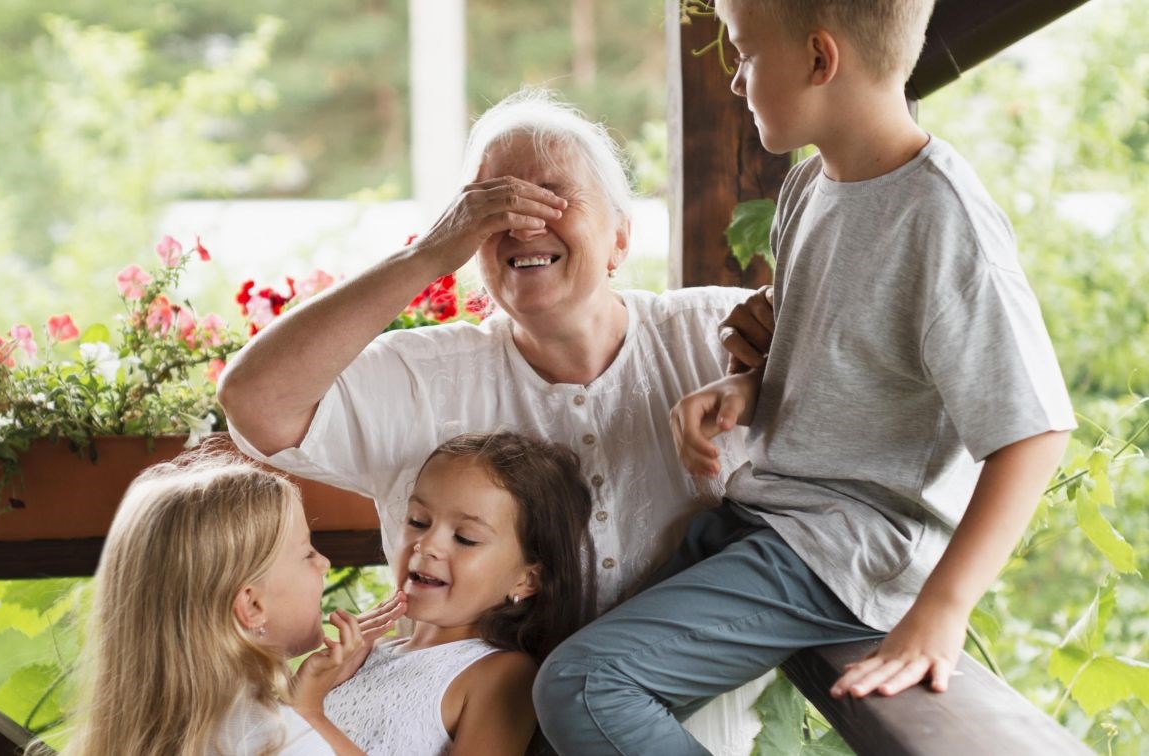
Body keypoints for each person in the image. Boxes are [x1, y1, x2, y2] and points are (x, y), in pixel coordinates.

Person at [532, 0, 1077, 752]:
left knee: (585, 685)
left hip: (843, 548)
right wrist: (745, 390)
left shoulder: (941, 217)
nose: (735, 81)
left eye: (745, 55)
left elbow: (1036, 431)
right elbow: (840, 353)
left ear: (820, 60)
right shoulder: (809, 187)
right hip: (768, 521)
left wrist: (942, 609)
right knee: (552, 680)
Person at [219, 88, 775, 750]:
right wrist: (427, 256)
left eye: (552, 195)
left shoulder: (711, 333)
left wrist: (776, 346)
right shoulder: (425, 374)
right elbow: (254, 401)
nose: (521, 220)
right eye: (491, 202)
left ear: (620, 238)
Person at [61, 453, 403, 756]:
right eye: (307, 553)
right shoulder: (281, 740)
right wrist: (308, 713)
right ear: (252, 606)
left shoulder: (140, 734)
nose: (324, 563)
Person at [321, 431, 596, 754]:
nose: (427, 544)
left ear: (528, 580)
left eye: (465, 537)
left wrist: (310, 711)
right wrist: (320, 682)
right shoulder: (367, 653)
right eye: (418, 521)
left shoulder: (501, 674)